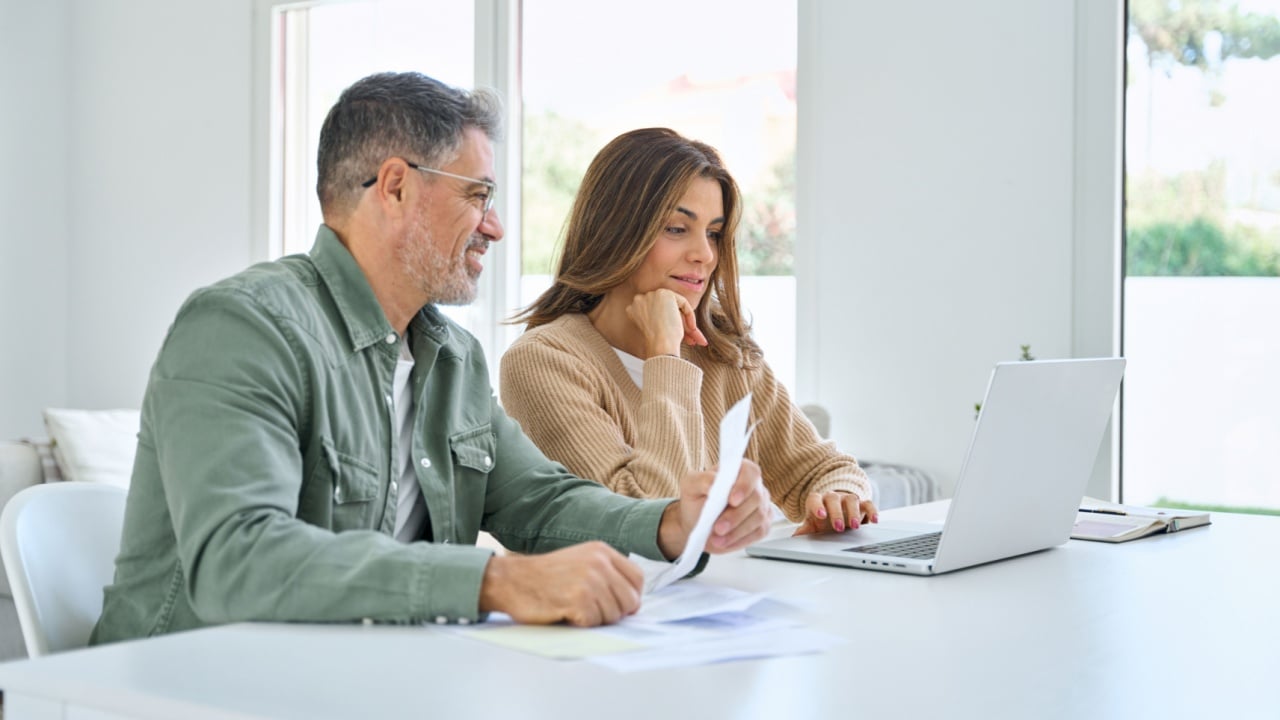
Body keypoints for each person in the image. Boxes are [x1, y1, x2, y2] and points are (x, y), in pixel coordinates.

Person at [90, 75, 772, 645]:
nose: (497, 226)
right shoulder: (243, 326)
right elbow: (238, 558)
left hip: (360, 680)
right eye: (479, 195)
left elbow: (537, 500)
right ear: (395, 188)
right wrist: (493, 580)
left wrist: (668, 522)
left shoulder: (451, 358)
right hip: (182, 686)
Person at [501, 128, 876, 535]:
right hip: (627, 597)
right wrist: (665, 354)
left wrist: (838, 499)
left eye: (713, 233)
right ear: (615, 232)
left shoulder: (724, 353)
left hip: (725, 593)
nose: (705, 255)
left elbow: (822, 469)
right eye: (677, 229)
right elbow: (642, 518)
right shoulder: (541, 362)